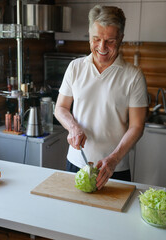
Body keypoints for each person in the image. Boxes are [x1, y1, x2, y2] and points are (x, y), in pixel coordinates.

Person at [54, 5, 148, 190]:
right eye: (96, 39)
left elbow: (137, 126)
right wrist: (73, 127)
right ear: (89, 35)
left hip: (115, 168)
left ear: (121, 38)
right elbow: (60, 108)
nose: (102, 47)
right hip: (76, 163)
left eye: (110, 41)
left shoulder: (134, 76)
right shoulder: (75, 67)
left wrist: (113, 159)